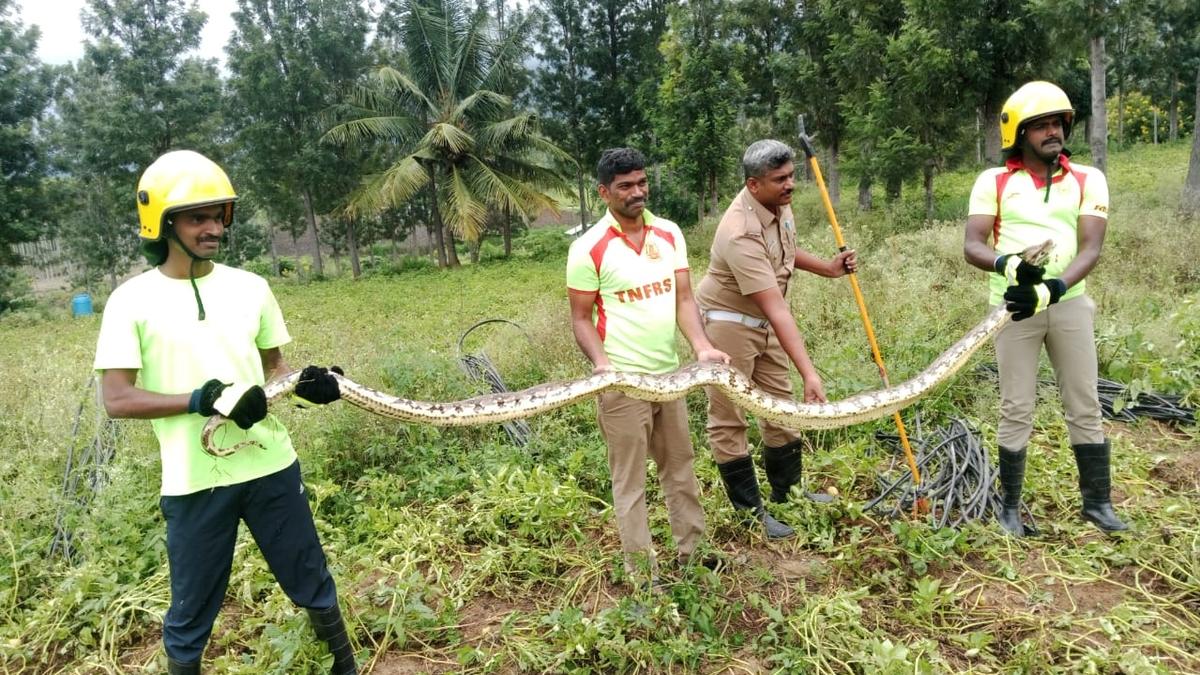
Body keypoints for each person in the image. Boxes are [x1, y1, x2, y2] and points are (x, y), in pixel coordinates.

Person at [93, 150, 357, 674]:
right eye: (198, 218)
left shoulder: (250, 287)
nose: (213, 227)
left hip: (270, 464)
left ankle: (345, 666)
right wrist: (201, 399)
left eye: (219, 216)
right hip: (194, 480)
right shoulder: (130, 302)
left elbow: (274, 369)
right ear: (164, 224)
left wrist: (308, 385)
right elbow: (117, 398)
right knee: (192, 607)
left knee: (311, 578)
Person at [963, 81, 1128, 537]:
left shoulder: (1088, 179)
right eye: (1041, 126)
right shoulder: (994, 182)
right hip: (1012, 310)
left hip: (1070, 306)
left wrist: (1053, 288)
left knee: (1085, 402)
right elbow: (972, 244)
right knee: (1016, 405)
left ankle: (1098, 504)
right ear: (1019, 133)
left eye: (1057, 123)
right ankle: (1010, 509)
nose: (1053, 132)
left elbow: (1091, 248)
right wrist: (1009, 263)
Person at [566, 148, 730, 586]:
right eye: (625, 186)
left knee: (680, 467)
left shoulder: (670, 233)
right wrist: (602, 366)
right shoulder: (588, 249)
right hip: (622, 385)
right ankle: (642, 576)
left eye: (641, 183)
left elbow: (684, 299)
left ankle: (692, 554)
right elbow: (581, 318)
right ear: (604, 192)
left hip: (670, 378)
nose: (637, 192)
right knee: (630, 481)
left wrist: (701, 346)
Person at [695, 139, 857, 540]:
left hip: (763, 323)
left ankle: (789, 493)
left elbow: (783, 250)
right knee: (730, 418)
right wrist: (811, 373)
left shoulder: (776, 205)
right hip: (729, 326)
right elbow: (777, 308)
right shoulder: (739, 232)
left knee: (781, 407)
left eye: (791, 177)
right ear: (753, 184)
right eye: (779, 180)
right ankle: (751, 514)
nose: (789, 186)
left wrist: (827, 268)